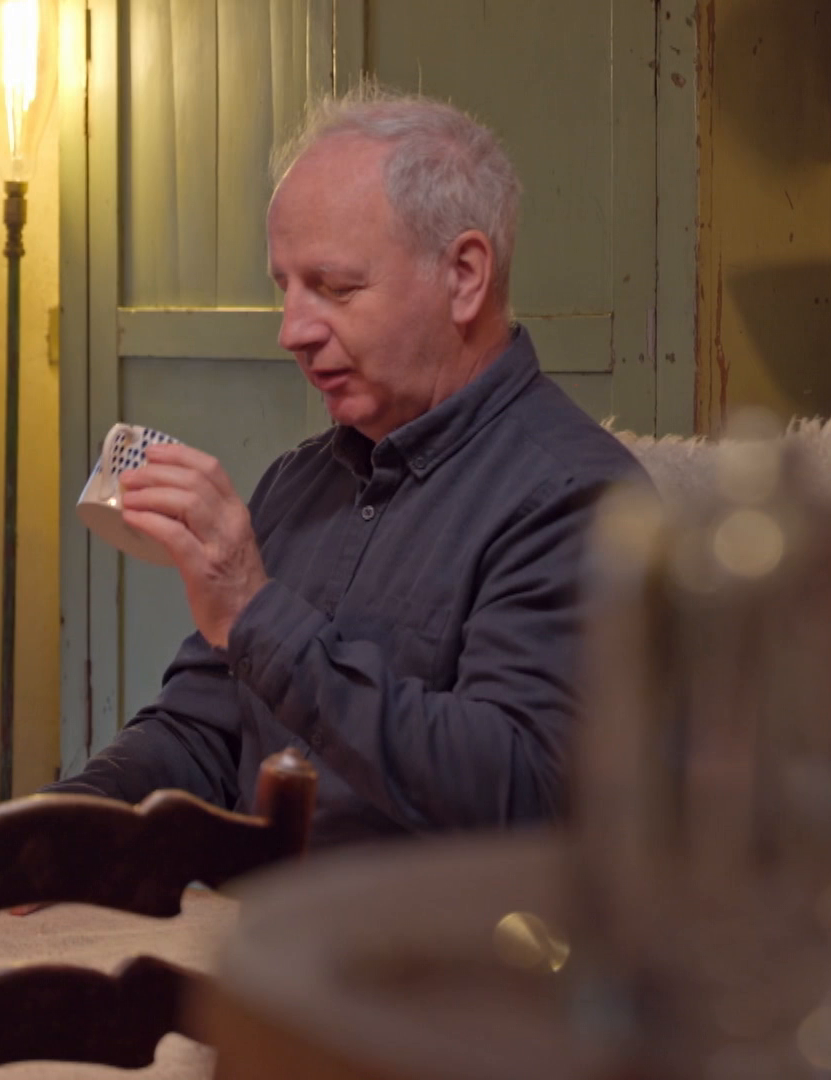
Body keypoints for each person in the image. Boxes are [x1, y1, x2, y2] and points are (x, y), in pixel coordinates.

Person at [46, 87, 642, 846]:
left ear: (464, 276)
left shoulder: (579, 499)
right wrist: (49, 827)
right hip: (256, 908)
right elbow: (200, 733)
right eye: (285, 288)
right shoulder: (299, 481)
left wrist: (255, 615)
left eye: (334, 288)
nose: (292, 331)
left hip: (442, 925)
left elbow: (518, 791)